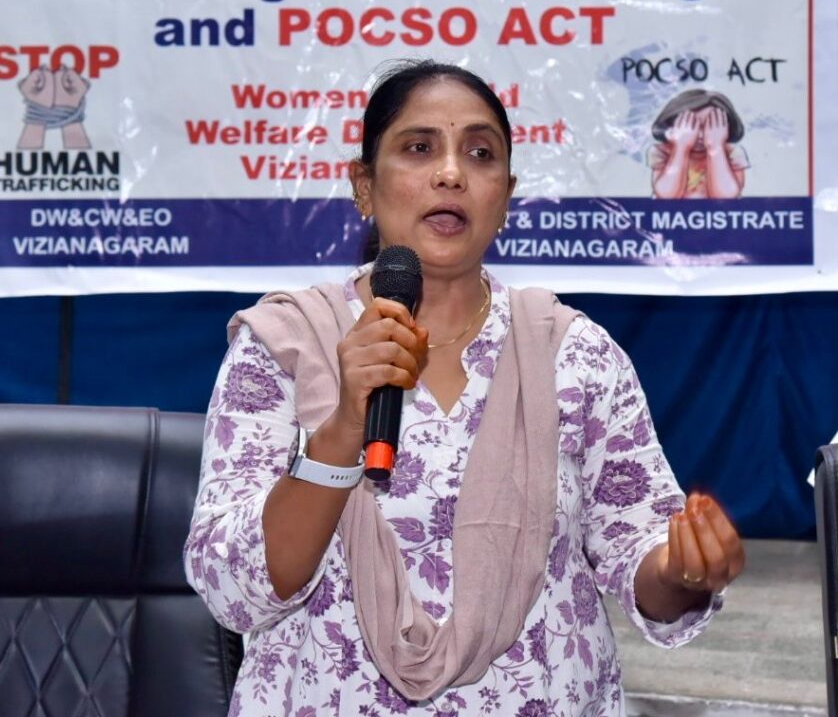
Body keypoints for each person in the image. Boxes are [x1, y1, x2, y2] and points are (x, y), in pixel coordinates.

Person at [185, 60, 745, 716]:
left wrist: (681, 571)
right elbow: (233, 589)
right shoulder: (283, 346)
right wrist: (340, 432)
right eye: (419, 148)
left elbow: (639, 555)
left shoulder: (575, 354)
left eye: (480, 154)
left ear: (505, 196)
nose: (451, 173)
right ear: (364, 186)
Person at [648, 89, 749, 199]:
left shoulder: (733, 153)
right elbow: (666, 196)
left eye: (710, 126)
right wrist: (681, 147)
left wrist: (715, 146)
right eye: (691, 125)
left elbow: (726, 197)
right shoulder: (661, 151)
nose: (700, 135)